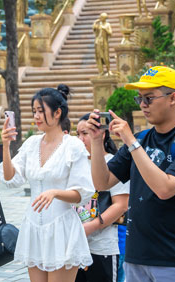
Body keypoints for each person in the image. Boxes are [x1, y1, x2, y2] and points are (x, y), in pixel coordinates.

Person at [87, 66, 175, 282]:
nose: (143, 105)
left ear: (172, 98)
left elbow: (165, 189)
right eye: (140, 98)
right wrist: (96, 142)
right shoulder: (141, 139)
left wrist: (131, 142)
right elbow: (102, 182)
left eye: (149, 98)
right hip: (136, 257)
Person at [0, 85, 94, 281]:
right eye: (34, 111)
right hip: (33, 228)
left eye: (41, 111)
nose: (36, 116)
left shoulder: (72, 145)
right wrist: (6, 146)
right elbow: (10, 178)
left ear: (58, 112)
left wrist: (55, 193)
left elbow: (82, 193)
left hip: (62, 230)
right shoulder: (32, 143)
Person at [75, 116, 129, 282]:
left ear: (101, 134)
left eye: (85, 133)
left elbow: (121, 206)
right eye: (77, 133)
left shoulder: (113, 163)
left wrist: (88, 228)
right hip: (74, 247)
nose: (80, 139)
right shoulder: (76, 163)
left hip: (103, 247)